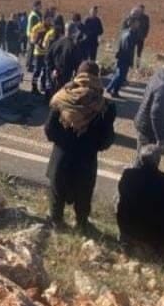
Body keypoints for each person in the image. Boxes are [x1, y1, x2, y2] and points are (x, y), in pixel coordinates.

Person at [45, 61, 115, 233]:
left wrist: (63, 142)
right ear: (97, 78)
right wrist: (93, 146)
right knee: (84, 194)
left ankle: (56, 222)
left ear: (78, 75)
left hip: (61, 156)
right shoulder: (105, 106)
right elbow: (107, 139)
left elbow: (49, 130)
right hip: (86, 159)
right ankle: (81, 223)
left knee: (57, 191)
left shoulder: (61, 98)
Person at [116, 145, 164, 248]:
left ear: (141, 159)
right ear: (158, 161)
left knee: (119, 198)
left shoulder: (129, 174)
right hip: (159, 235)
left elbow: (122, 192)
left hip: (129, 228)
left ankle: (124, 236)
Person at [106, 22, 138, 97]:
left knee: (119, 74)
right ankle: (112, 90)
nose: (137, 25)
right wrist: (130, 61)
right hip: (125, 58)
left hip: (121, 56)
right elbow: (129, 50)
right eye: (136, 23)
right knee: (121, 75)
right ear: (132, 24)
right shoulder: (130, 36)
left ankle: (112, 89)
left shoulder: (124, 33)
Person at [48, 21, 80, 92]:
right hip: (66, 75)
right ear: (73, 33)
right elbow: (77, 63)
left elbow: (48, 57)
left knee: (52, 92)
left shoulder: (57, 42)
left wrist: (53, 69)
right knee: (61, 94)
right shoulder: (73, 46)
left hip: (55, 74)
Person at [30, 15, 52, 94]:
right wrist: (38, 41)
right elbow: (32, 40)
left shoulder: (51, 28)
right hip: (39, 53)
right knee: (37, 70)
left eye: (51, 20)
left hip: (47, 53)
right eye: (49, 20)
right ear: (44, 19)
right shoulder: (37, 28)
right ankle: (34, 86)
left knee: (46, 70)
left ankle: (43, 86)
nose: (50, 21)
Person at [26, 0, 43, 70]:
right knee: (31, 50)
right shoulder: (33, 15)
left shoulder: (37, 14)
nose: (41, 6)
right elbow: (32, 27)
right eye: (39, 5)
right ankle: (29, 65)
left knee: (33, 49)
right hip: (32, 34)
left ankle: (30, 64)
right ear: (36, 6)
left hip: (36, 34)